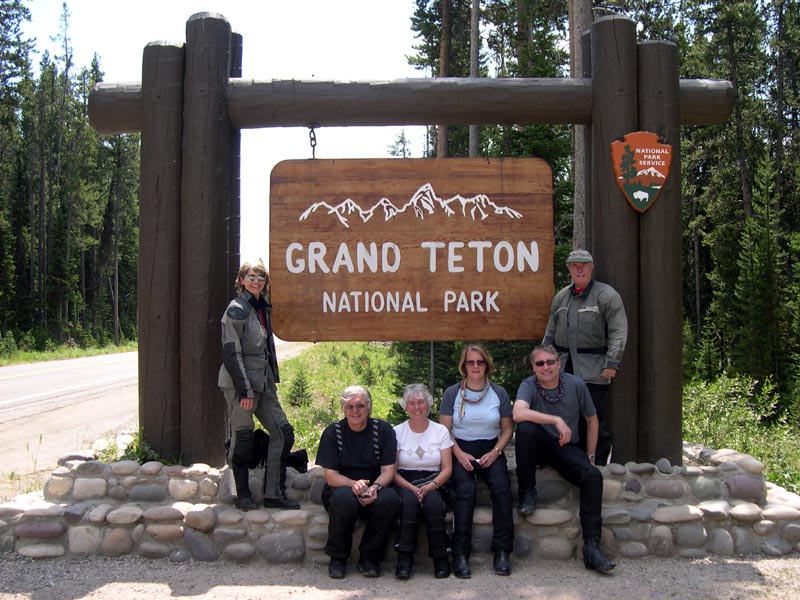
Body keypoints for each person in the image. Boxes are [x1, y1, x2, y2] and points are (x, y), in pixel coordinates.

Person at [513, 344, 615, 574]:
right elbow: (518, 413)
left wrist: (590, 456)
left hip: (566, 447)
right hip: (539, 445)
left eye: (550, 362)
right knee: (526, 429)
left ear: (559, 363)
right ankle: (528, 494)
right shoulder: (529, 385)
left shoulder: (575, 384)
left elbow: (592, 419)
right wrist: (555, 420)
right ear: (533, 366)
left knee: (593, 477)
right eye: (540, 363)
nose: (546, 367)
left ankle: (592, 547)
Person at [218, 261, 300, 511]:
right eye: (251, 276)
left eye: (261, 277)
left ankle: (273, 494)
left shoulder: (262, 307)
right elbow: (232, 352)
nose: (256, 281)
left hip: (263, 384)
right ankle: (238, 494)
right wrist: (244, 390)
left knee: (283, 433)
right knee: (242, 439)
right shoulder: (237, 309)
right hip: (240, 385)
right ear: (241, 280)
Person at [543, 248, 627, 465]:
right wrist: (543, 361)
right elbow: (550, 333)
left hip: (594, 371)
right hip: (563, 371)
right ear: (569, 269)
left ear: (591, 268)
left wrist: (612, 362)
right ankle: (571, 463)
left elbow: (618, 331)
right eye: (574, 265)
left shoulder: (606, 296)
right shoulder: (561, 297)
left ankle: (597, 466)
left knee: (593, 418)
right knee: (567, 419)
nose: (579, 269)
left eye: (583, 265)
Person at [440, 344, 514, 578]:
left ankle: (502, 551)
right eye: (470, 362)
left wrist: (495, 452)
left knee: (502, 489)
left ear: (486, 365)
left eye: (479, 362)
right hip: (460, 447)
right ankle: (461, 555)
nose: (475, 366)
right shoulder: (452, 393)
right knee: (466, 491)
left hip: (491, 447)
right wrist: (459, 454)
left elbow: (507, 430)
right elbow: (444, 431)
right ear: (464, 366)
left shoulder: (498, 393)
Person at [316, 385, 402, 579]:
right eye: (350, 407)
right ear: (344, 409)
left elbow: (389, 470)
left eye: (360, 406)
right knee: (343, 500)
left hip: (376, 485)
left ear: (368, 407)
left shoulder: (384, 430)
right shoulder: (332, 433)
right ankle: (338, 557)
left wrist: (374, 487)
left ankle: (370, 558)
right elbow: (331, 476)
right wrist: (353, 485)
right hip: (343, 487)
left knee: (390, 500)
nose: (355, 411)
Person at [392, 383, 453, 580]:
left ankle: (441, 558)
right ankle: (404, 560)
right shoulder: (397, 432)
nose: (417, 407)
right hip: (404, 480)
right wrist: (411, 488)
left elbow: (448, 469)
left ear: (428, 404)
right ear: (405, 406)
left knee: (434, 504)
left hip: (434, 480)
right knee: (408, 505)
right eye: (412, 403)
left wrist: (431, 486)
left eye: (421, 402)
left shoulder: (440, 431)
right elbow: (391, 472)